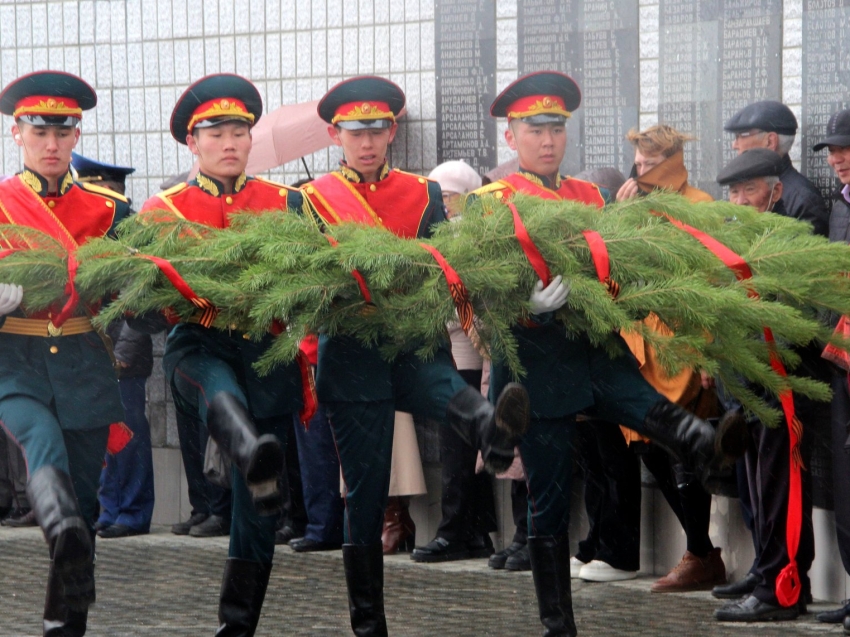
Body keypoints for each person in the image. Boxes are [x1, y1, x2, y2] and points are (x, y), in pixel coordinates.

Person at [469, 71, 747, 635]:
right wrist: (525, 300)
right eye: (534, 129)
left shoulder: (589, 195)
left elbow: (613, 262)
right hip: (536, 364)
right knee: (546, 506)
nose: (547, 140)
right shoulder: (488, 202)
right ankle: (558, 626)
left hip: (596, 346)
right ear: (511, 137)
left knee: (644, 402)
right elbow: (475, 288)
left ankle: (708, 448)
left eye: (556, 129)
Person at [301, 75, 530, 636]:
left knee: (449, 391)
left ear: (391, 131)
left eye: (378, 130)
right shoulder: (308, 201)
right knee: (366, 495)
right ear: (336, 134)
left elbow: (443, 264)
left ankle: (494, 433)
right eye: (357, 133)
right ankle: (368, 623)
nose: (369, 143)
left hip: (414, 341)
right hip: (353, 353)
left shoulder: (423, 193)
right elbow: (303, 282)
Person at [139, 73, 311, 636]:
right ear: (193, 143)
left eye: (241, 130)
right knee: (219, 388)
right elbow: (142, 301)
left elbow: (315, 277)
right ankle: (243, 442)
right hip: (200, 344)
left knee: (259, 514)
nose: (232, 142)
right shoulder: (163, 211)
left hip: (266, 353)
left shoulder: (287, 203)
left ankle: (237, 629)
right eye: (217, 133)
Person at [0, 70, 131, 635]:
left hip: (84, 363)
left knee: (86, 507)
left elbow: (136, 292)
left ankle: (65, 626)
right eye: (39, 132)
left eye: (63, 132)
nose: (51, 145)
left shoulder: (109, 210)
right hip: (17, 364)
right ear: (17, 135)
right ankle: (57, 529)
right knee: (41, 441)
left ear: (76, 136)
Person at [610, 125, 727, 593]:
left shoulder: (699, 208)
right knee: (644, 442)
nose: (640, 172)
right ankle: (701, 550)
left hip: (684, 343)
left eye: (650, 162)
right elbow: (613, 270)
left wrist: (708, 356)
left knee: (677, 446)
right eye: (637, 163)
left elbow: (716, 287)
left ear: (672, 160)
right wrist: (619, 219)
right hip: (641, 345)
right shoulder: (634, 207)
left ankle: (700, 552)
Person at [711, 148, 819, 622]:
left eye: (749, 190)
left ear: (774, 192)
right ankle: (768, 573)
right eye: (733, 192)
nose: (740, 200)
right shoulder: (735, 238)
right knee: (758, 490)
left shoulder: (787, 239)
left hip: (780, 383)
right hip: (746, 386)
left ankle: (784, 590)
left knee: (781, 491)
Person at [411, 160, 498, 564]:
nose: (441, 204)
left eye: (447, 196)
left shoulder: (470, 237)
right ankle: (475, 532)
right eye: (437, 196)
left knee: (458, 448)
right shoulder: (439, 234)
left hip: (466, 349)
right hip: (451, 346)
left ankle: (455, 531)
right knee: (462, 448)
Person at [69, 152, 157, 540]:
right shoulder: (87, 234)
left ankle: (134, 512)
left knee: (130, 436)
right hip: (95, 352)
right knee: (103, 438)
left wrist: (121, 354)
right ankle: (110, 509)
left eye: (99, 187)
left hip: (124, 356)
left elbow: (139, 300)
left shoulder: (130, 233)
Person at [812, 108, 850, 633]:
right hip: (842, 359)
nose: (838, 160)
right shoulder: (840, 206)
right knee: (845, 482)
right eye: (834, 151)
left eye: (846, 149)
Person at [724, 100, 829, 235]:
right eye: (734, 191)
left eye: (741, 136)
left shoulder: (802, 201)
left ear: (770, 141)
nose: (734, 145)